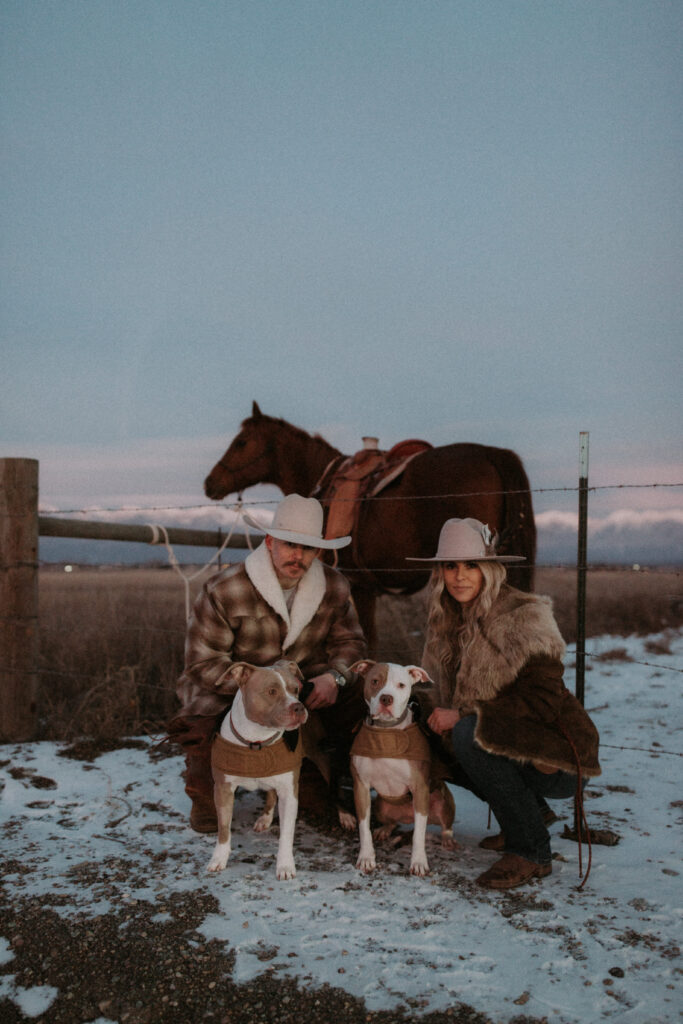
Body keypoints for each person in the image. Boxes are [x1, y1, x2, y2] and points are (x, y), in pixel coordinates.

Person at [407, 517, 601, 890]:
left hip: (555, 757)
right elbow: (433, 695)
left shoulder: (522, 616)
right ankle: (530, 816)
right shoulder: (448, 620)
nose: (459, 576)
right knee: (432, 729)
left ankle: (532, 851)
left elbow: (543, 701)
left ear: (490, 569)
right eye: (450, 565)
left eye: (471, 565)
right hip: (509, 746)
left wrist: (462, 715)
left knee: (467, 732)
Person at [168, 493, 367, 832]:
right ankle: (204, 787)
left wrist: (334, 677)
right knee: (203, 734)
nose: (298, 556)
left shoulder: (334, 586)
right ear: (270, 541)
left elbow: (351, 643)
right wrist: (258, 689)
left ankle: (339, 776)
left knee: (359, 694)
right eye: (290, 544)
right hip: (227, 690)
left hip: (301, 688)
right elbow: (202, 663)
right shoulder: (224, 588)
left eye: (308, 548)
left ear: (318, 551)